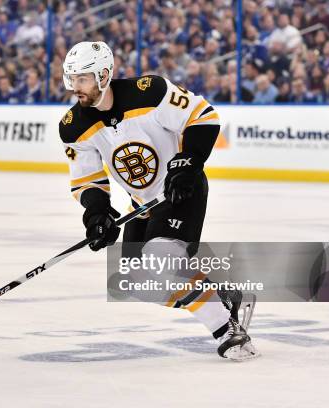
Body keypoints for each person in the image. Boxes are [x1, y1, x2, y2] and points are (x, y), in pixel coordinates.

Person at [59, 41, 259, 361]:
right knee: (138, 284)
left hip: (180, 191)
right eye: (71, 78)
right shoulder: (74, 126)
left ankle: (229, 332)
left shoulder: (149, 92)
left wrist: (188, 163)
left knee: (160, 265)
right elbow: (87, 180)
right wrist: (97, 215)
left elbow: (203, 117)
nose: (75, 87)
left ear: (104, 74)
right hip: (141, 205)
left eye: (82, 78)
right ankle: (223, 295)